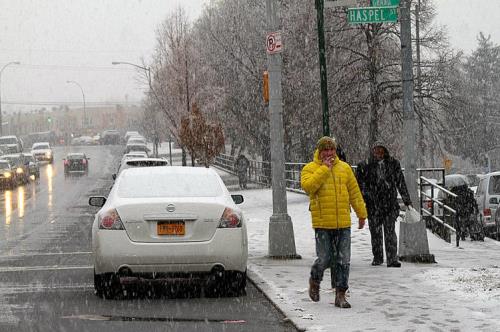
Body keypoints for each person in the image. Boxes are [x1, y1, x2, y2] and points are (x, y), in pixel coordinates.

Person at [301, 136, 367, 308]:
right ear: (319, 151)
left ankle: (340, 294)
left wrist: (362, 213)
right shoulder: (310, 169)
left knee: (344, 260)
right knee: (324, 259)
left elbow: (354, 192)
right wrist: (324, 169)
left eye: (332, 150)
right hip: (322, 223)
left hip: (343, 223)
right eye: (325, 150)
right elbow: (309, 187)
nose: (329, 153)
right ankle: (315, 280)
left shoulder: (344, 168)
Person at [356, 142, 412, 268]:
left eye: (381, 152)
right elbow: (358, 185)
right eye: (376, 152)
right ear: (372, 152)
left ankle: (392, 258)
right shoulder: (364, 165)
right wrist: (365, 196)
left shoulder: (393, 164)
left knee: (389, 231)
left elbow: (400, 182)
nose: (379, 155)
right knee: (375, 233)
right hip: (373, 204)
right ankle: (378, 257)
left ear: (385, 152)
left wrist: (406, 200)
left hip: (389, 204)